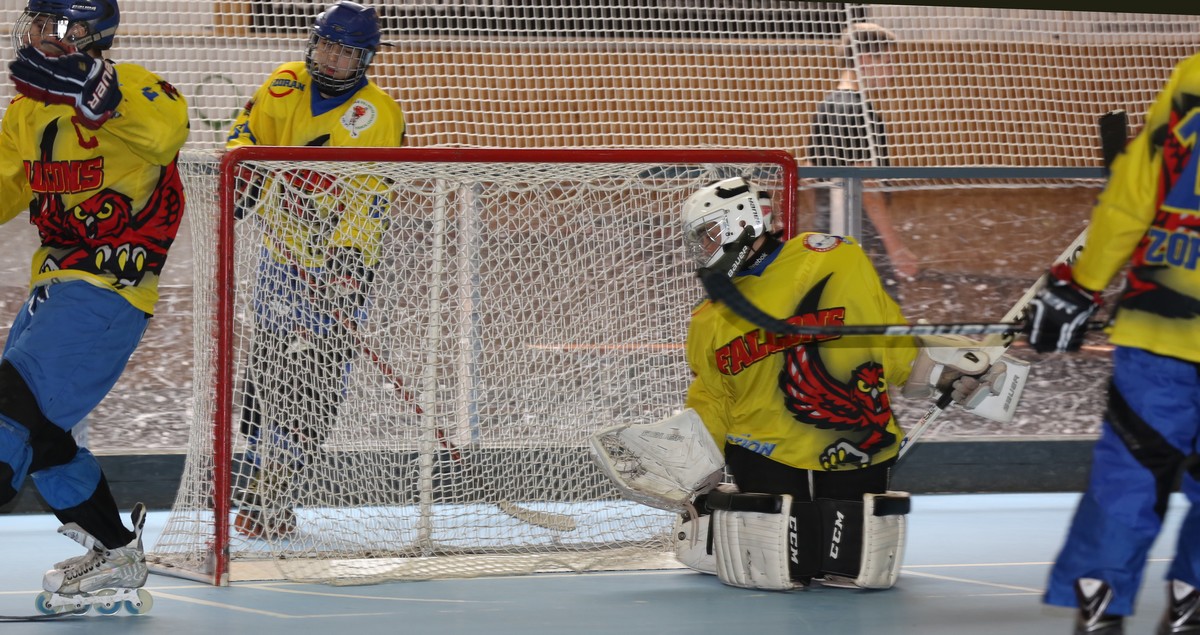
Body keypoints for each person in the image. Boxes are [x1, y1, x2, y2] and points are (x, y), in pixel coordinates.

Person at [591, 176, 1007, 592]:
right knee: (781, 574)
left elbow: (885, 336)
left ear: (743, 220)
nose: (704, 246)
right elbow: (713, 396)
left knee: (852, 574)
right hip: (763, 449)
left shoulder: (834, 258)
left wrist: (942, 368)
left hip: (851, 438)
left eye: (710, 233)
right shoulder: (709, 317)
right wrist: (695, 454)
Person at [0, 0, 188, 613]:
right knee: (45, 441)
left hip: (107, 291)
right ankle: (115, 552)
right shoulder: (26, 110)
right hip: (52, 290)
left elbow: (166, 135)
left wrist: (99, 94)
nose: (36, 34)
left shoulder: (134, 85)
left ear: (86, 34)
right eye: (34, 22)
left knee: (7, 424)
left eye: (50, 24)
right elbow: (6, 189)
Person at [1027, 54, 1200, 635]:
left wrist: (1082, 284)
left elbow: (1133, 190)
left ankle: (1101, 603)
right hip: (1160, 328)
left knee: (1132, 469)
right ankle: (1192, 601)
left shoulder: (1194, 76)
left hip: (1162, 321)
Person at [224, 0, 405, 539]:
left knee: (314, 381)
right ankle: (259, 472)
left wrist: (348, 261)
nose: (332, 59)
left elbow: (371, 196)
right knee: (266, 372)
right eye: (327, 45)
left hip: (340, 269)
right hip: (282, 256)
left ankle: (279, 490)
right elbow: (246, 131)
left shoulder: (378, 114)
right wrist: (244, 169)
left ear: (365, 59)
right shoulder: (284, 83)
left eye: (346, 52)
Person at [806, 22, 918, 295]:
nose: (893, 71)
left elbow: (810, 174)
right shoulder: (861, 114)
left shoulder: (826, 107)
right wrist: (895, 247)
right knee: (881, 311)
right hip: (860, 238)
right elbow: (868, 188)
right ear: (866, 60)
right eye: (888, 62)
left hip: (829, 234)